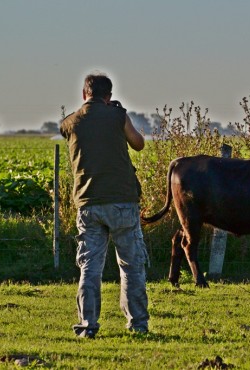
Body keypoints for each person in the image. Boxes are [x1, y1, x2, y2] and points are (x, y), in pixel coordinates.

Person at [60, 72, 149, 339]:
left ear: (84, 93)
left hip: (88, 203)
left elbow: (73, 127)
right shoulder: (118, 116)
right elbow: (139, 144)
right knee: (131, 266)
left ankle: (87, 325)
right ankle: (138, 324)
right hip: (122, 200)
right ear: (108, 95)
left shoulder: (70, 122)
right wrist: (120, 113)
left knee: (90, 267)